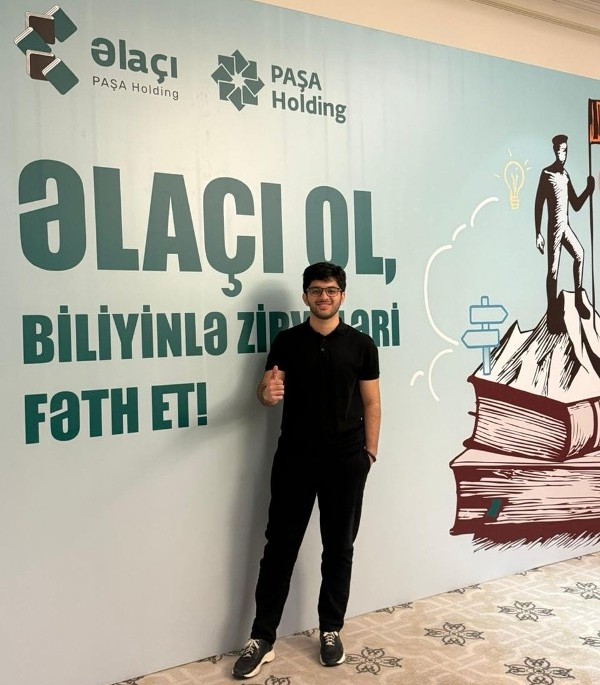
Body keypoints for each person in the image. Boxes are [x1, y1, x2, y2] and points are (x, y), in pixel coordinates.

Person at [232, 262, 381, 679]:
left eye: (331, 290)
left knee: (339, 548)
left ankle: (331, 630)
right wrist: (265, 394)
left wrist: (369, 453)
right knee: (279, 548)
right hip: (295, 459)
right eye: (316, 290)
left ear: (342, 296)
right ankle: (262, 638)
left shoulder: (362, 345)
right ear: (305, 297)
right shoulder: (286, 342)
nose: (324, 297)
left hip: (347, 461)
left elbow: (372, 402)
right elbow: (266, 393)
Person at [534, 134, 595, 332]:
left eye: (566, 151)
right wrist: (538, 233)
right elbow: (538, 204)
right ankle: (552, 316)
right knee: (553, 271)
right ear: (555, 151)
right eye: (561, 151)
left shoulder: (565, 176)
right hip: (553, 229)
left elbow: (575, 204)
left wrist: (588, 189)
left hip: (565, 227)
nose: (564, 155)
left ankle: (578, 298)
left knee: (580, 254)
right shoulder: (546, 174)